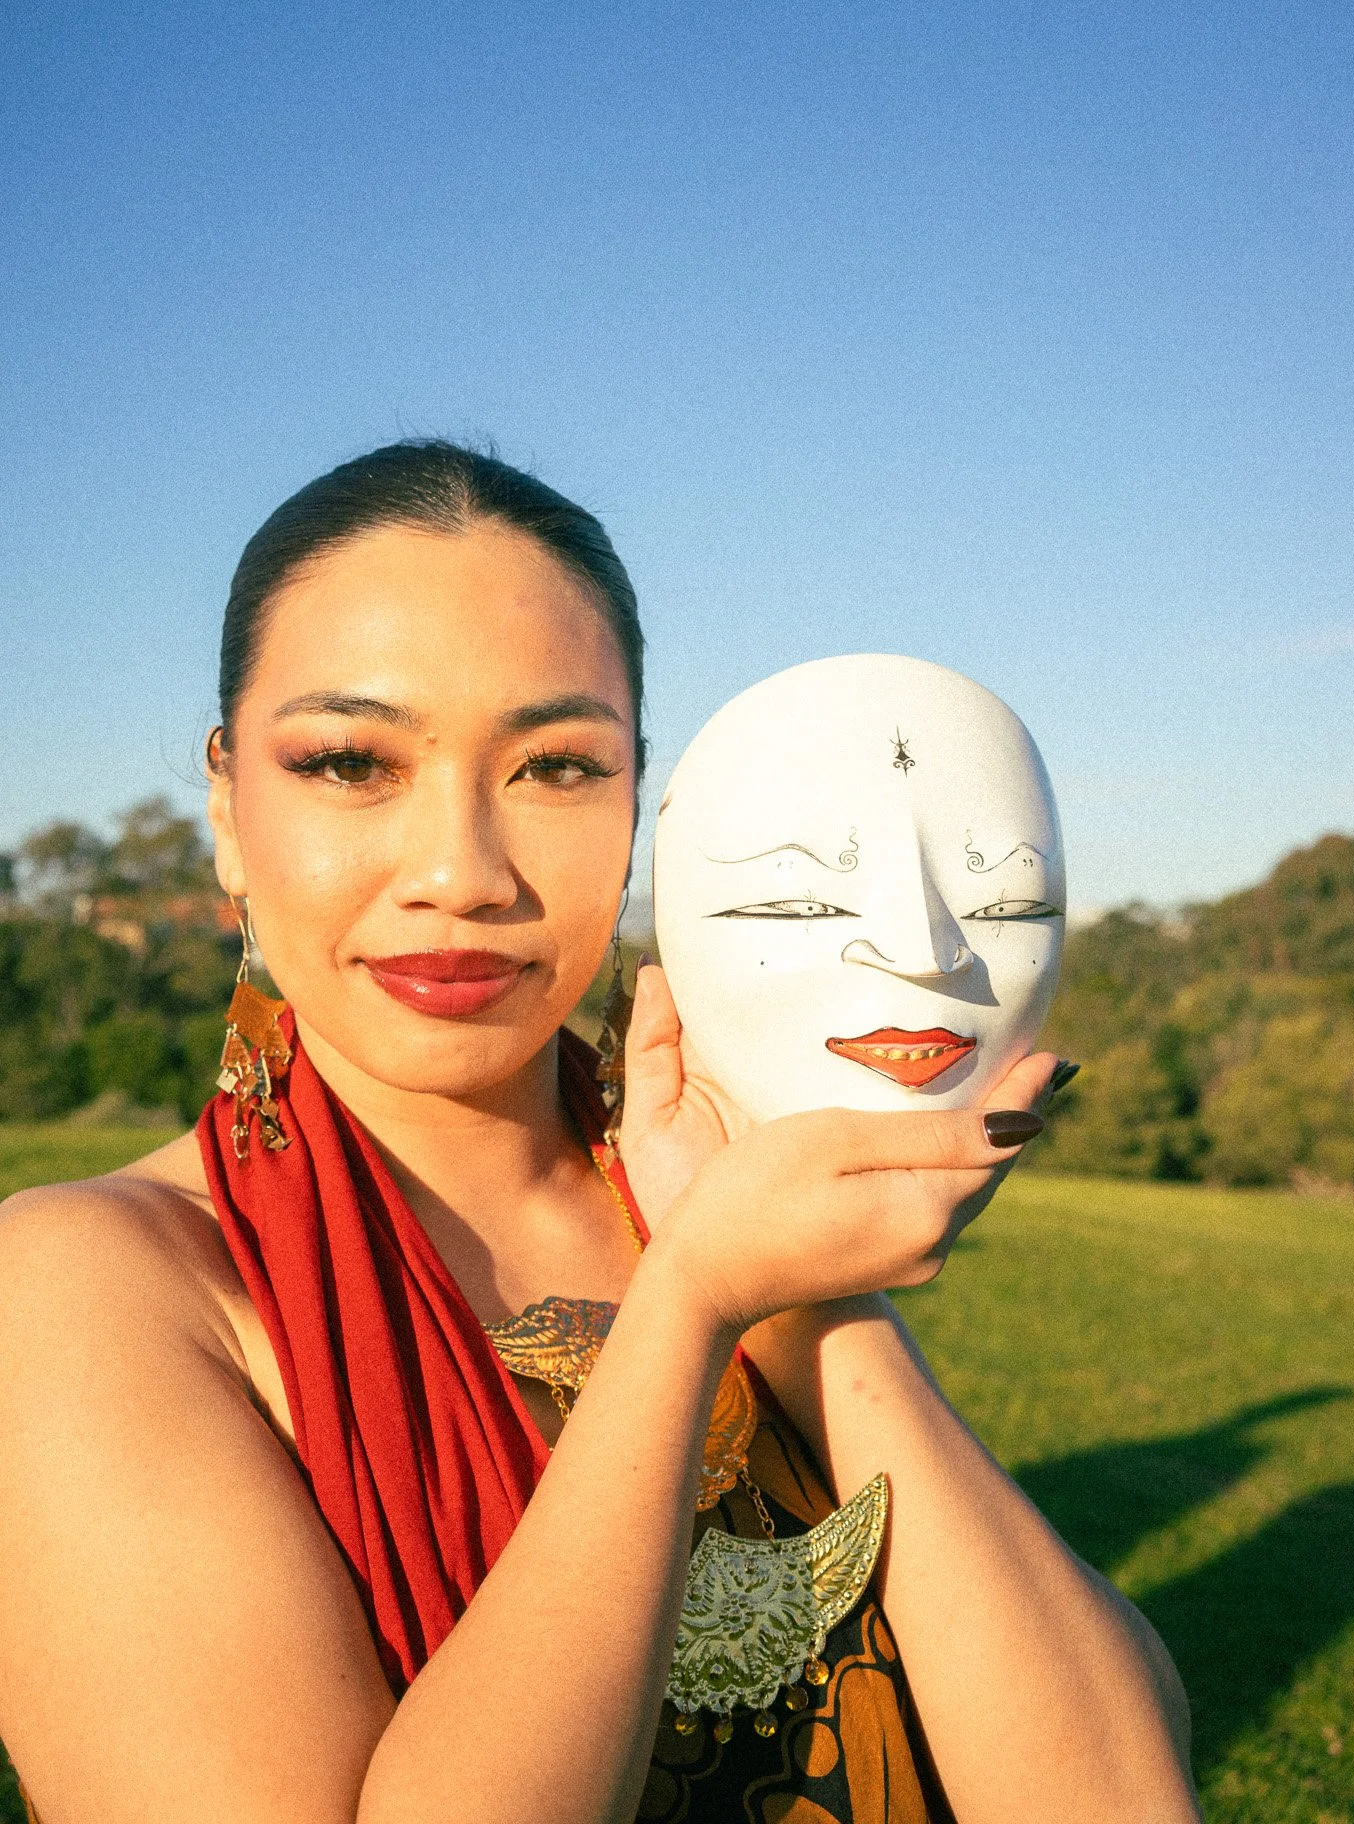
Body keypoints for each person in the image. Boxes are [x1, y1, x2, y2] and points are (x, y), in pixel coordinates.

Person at [0, 443, 1198, 1824]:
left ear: (644, 807)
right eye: (349, 762)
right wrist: (687, 1309)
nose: (461, 872)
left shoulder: (702, 1190)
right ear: (225, 807)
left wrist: (821, 1309)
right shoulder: (92, 1287)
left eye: (557, 766)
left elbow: (1119, 1794)